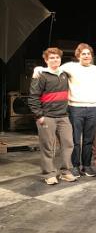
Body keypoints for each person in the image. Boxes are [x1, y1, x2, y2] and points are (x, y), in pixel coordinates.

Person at [28, 47, 77, 185]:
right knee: (48, 146)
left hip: (63, 116)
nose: (55, 60)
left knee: (68, 144)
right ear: (46, 60)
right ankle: (49, 173)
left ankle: (66, 171)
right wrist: (39, 115)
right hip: (47, 116)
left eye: (57, 58)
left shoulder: (64, 74)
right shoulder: (41, 75)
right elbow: (33, 97)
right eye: (52, 58)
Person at [62, 43, 96, 178]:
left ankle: (86, 166)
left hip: (92, 107)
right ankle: (75, 166)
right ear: (78, 55)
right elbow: (54, 69)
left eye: (88, 54)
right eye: (83, 53)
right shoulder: (71, 67)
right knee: (76, 140)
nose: (86, 56)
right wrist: (39, 69)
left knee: (89, 140)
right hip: (76, 107)